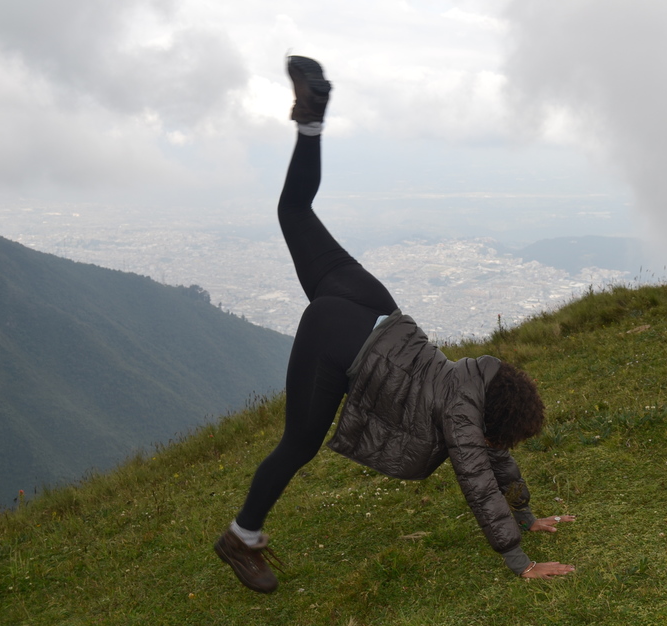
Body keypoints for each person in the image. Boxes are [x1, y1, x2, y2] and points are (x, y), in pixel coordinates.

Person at [214, 56, 576, 593]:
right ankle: (241, 537)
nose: (499, 446)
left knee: (294, 211)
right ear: (493, 420)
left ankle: (311, 122)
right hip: (342, 336)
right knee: (297, 443)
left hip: (374, 303)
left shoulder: (474, 380)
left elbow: (495, 462)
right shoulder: (462, 417)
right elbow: (478, 480)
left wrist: (528, 517)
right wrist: (520, 561)